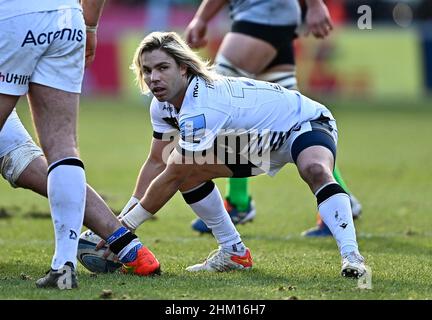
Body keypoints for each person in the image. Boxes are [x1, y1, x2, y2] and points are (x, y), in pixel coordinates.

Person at [119, 31, 367, 278]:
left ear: (183, 68)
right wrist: (119, 221)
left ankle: (352, 256)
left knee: (314, 169)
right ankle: (233, 252)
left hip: (302, 123)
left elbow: (172, 174)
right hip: (257, 144)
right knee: (190, 174)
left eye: (163, 68)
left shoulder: (201, 107)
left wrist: (123, 230)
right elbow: (156, 161)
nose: (154, 78)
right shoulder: (161, 106)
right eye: (147, 70)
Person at [0, 0, 159, 290]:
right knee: (62, 146)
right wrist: (89, 24)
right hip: (67, 18)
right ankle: (67, 264)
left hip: (10, 15)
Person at [183, 0, 362, 237]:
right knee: (297, 120)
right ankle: (342, 200)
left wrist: (316, 5)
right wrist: (202, 17)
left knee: (220, 99)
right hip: (270, 15)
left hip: (262, 13)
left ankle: (238, 202)